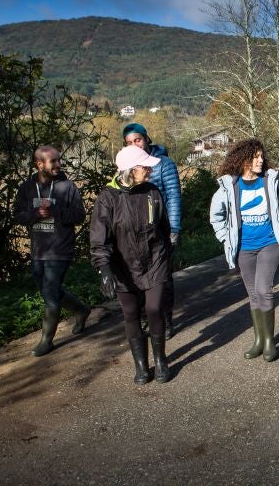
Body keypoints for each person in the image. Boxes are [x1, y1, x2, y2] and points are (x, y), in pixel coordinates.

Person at [90, 146, 173, 384]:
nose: (149, 170)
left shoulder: (152, 191)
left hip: (154, 260)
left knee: (155, 309)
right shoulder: (107, 198)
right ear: (129, 170)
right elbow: (99, 239)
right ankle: (141, 366)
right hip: (123, 265)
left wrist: (167, 253)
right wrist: (104, 269)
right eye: (144, 166)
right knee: (131, 313)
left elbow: (163, 228)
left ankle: (160, 360)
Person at [209, 139, 279, 362]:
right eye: (255, 157)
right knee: (253, 294)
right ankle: (258, 340)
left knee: (264, 289)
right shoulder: (230, 186)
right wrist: (225, 238)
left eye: (261, 156)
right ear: (243, 159)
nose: (260, 160)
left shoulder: (271, 181)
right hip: (244, 248)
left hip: (269, 243)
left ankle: (270, 342)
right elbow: (216, 216)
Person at [15, 146, 90, 357]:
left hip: (60, 249)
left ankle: (46, 341)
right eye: (53, 161)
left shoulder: (68, 187)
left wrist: (55, 211)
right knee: (51, 292)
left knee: (50, 294)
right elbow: (17, 215)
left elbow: (79, 215)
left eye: (59, 160)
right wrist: (34, 214)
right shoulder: (26, 188)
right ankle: (81, 310)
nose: (58, 164)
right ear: (40, 164)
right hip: (38, 249)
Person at [123, 123, 181, 338]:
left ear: (147, 139)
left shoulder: (164, 164)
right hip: (136, 235)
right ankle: (148, 317)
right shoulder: (127, 166)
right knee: (139, 278)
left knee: (163, 279)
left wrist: (174, 229)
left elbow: (173, 196)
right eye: (129, 142)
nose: (134, 145)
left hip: (162, 229)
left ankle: (165, 320)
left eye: (137, 140)